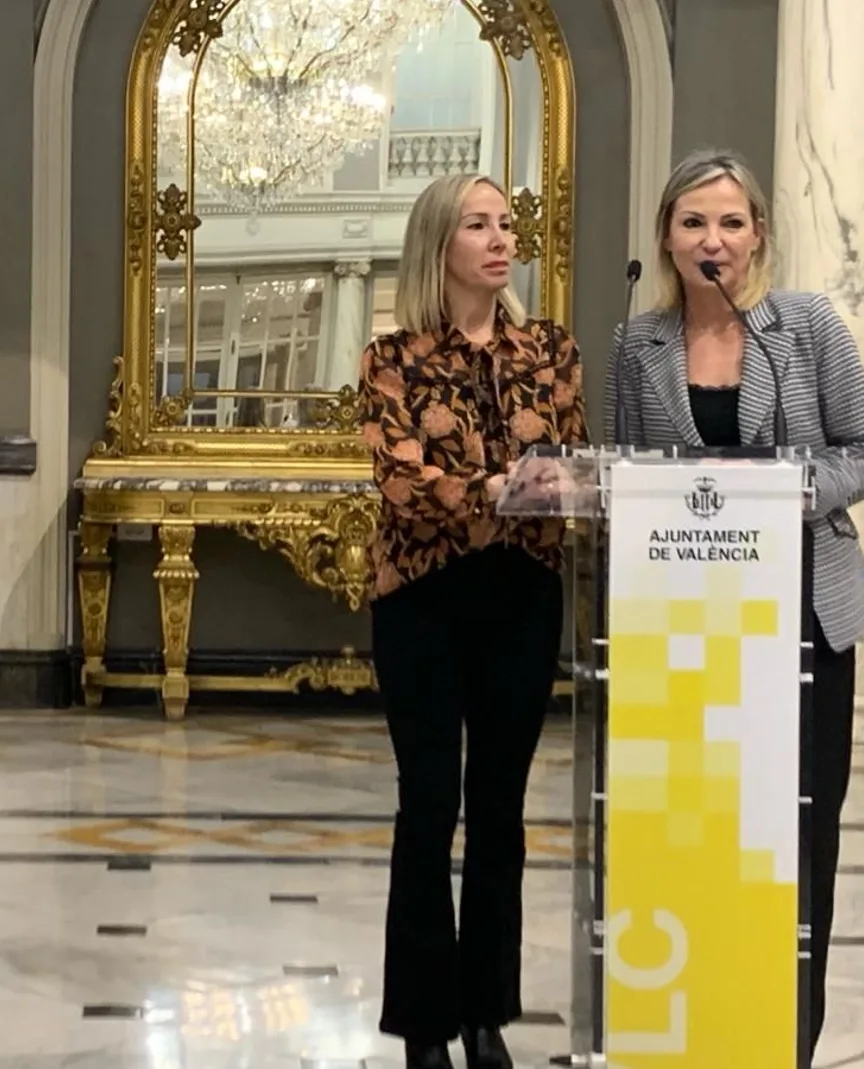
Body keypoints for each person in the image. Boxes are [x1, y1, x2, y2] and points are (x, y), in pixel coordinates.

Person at [605, 148, 864, 1066]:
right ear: (666, 237)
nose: (713, 239)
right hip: (686, 631)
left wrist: (781, 488)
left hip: (807, 617)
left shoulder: (804, 328)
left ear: (757, 234)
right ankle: (700, 1022)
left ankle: (790, 1040)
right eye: (694, 222)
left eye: (731, 222)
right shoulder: (636, 346)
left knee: (803, 834)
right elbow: (624, 477)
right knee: (699, 833)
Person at [359, 173, 588, 1069]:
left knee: (501, 809)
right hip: (421, 599)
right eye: (477, 225)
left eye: (506, 223)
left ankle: (488, 1011)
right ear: (438, 244)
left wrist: (512, 491)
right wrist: (496, 488)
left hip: (521, 596)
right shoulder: (394, 357)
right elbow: (402, 486)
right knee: (429, 805)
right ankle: (424, 1023)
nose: (500, 239)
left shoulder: (552, 350)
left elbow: (563, 474)